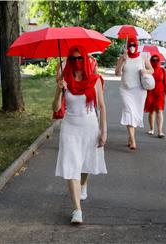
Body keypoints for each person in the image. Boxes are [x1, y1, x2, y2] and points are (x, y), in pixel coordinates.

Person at [52, 45, 107, 224]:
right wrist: (59, 91)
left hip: (90, 126)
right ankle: (77, 210)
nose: (76, 62)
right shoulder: (64, 80)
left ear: (85, 59)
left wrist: (103, 130)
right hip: (69, 127)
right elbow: (56, 108)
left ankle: (83, 184)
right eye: (73, 59)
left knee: (86, 165)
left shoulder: (95, 79)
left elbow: (101, 107)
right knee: (71, 167)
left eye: (79, 58)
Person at [115, 37, 154, 150]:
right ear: (127, 47)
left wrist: (145, 71)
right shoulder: (123, 57)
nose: (132, 47)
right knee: (128, 111)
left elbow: (152, 70)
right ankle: (133, 140)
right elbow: (117, 73)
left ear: (137, 45)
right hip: (125, 90)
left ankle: (130, 136)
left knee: (135, 114)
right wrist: (122, 61)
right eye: (130, 45)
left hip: (139, 91)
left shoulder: (143, 57)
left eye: (134, 45)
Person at [144, 54, 166, 138]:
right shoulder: (148, 70)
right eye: (153, 60)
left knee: (159, 110)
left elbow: (165, 83)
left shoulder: (162, 70)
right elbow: (143, 81)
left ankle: (160, 131)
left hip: (160, 93)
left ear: (159, 61)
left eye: (157, 60)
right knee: (152, 111)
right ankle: (151, 129)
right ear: (150, 61)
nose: (155, 62)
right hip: (150, 93)